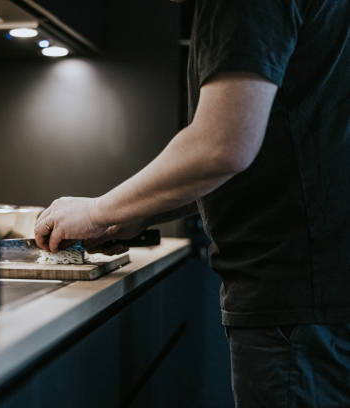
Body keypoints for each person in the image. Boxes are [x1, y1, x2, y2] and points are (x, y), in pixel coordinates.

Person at [34, 0, 350, 406]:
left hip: (299, 303)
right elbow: (277, 138)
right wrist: (139, 212)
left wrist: (98, 211)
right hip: (320, 297)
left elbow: (222, 145)